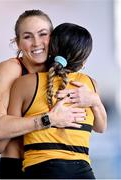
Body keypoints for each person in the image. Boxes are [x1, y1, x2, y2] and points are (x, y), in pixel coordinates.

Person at [0, 10, 89, 179]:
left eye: (43, 34)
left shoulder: (61, 72)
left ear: (54, 38)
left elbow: (99, 127)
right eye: (27, 37)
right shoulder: (11, 69)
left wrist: (93, 101)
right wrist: (49, 119)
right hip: (15, 169)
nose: (36, 43)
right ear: (17, 43)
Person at [8, 22, 107, 179]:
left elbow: (9, 130)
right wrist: (95, 101)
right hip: (83, 172)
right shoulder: (90, 86)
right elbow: (101, 128)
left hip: (40, 170)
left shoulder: (25, 83)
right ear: (83, 62)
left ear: (50, 50)